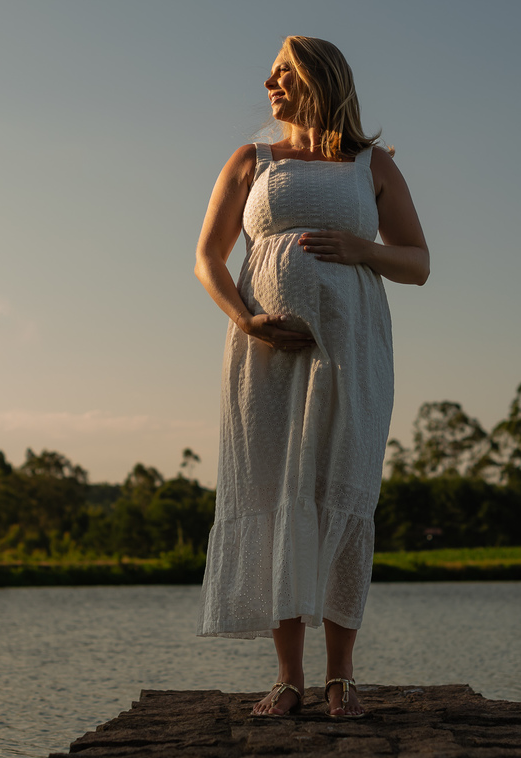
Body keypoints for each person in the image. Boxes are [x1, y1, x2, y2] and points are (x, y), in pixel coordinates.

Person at [193, 36, 428, 719]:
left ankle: (342, 676)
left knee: (341, 490)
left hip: (351, 351)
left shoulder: (370, 165)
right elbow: (208, 258)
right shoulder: (252, 162)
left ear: (320, 79)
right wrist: (247, 320)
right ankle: (289, 676)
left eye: (284, 73)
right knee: (275, 491)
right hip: (264, 354)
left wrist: (360, 248)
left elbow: (417, 262)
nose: (270, 83)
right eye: (270, 74)